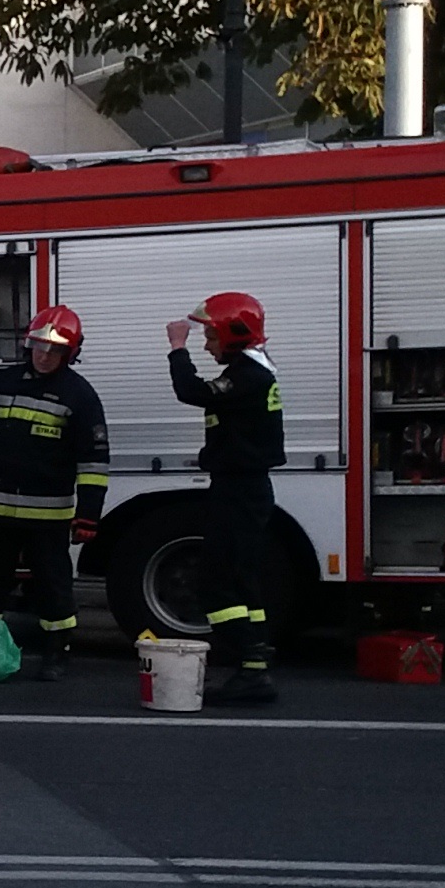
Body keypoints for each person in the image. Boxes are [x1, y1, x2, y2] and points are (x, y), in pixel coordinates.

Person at [0, 306, 109, 679]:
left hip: (48, 516)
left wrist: (88, 516)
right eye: (39, 347)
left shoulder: (79, 395)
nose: (44, 356)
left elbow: (93, 462)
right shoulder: (3, 383)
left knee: (53, 588)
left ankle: (57, 652)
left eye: (54, 350)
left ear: (70, 353)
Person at [169, 292, 283, 703]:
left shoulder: (248, 375)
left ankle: (251, 663)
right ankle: (254, 666)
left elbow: (193, 391)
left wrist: (177, 348)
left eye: (211, 337)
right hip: (243, 487)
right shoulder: (252, 369)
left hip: (240, 489)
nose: (206, 346)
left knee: (216, 583)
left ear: (233, 334)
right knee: (241, 579)